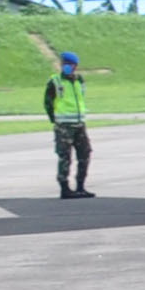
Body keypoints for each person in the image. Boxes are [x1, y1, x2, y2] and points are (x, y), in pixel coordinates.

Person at [44, 50, 95, 199]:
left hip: (79, 124)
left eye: (72, 65)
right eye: (67, 64)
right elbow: (47, 102)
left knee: (85, 154)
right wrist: (55, 120)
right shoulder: (55, 81)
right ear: (62, 65)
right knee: (65, 157)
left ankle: (80, 186)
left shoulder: (79, 80)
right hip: (64, 126)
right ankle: (65, 188)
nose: (70, 67)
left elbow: (81, 98)